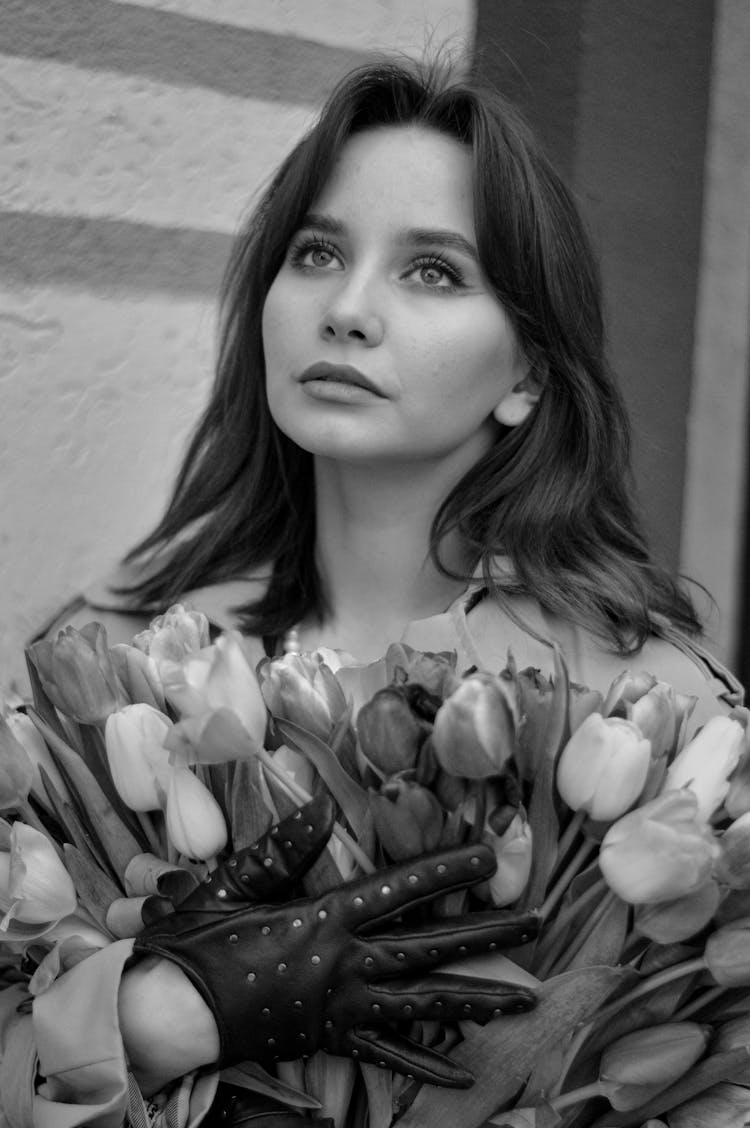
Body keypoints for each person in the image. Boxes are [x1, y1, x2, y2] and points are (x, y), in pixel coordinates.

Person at [7, 54, 744, 1128]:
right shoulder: (114, 673)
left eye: (433, 272)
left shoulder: (654, 711)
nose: (347, 309)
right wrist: (164, 1017)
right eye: (317, 252)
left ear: (530, 375)